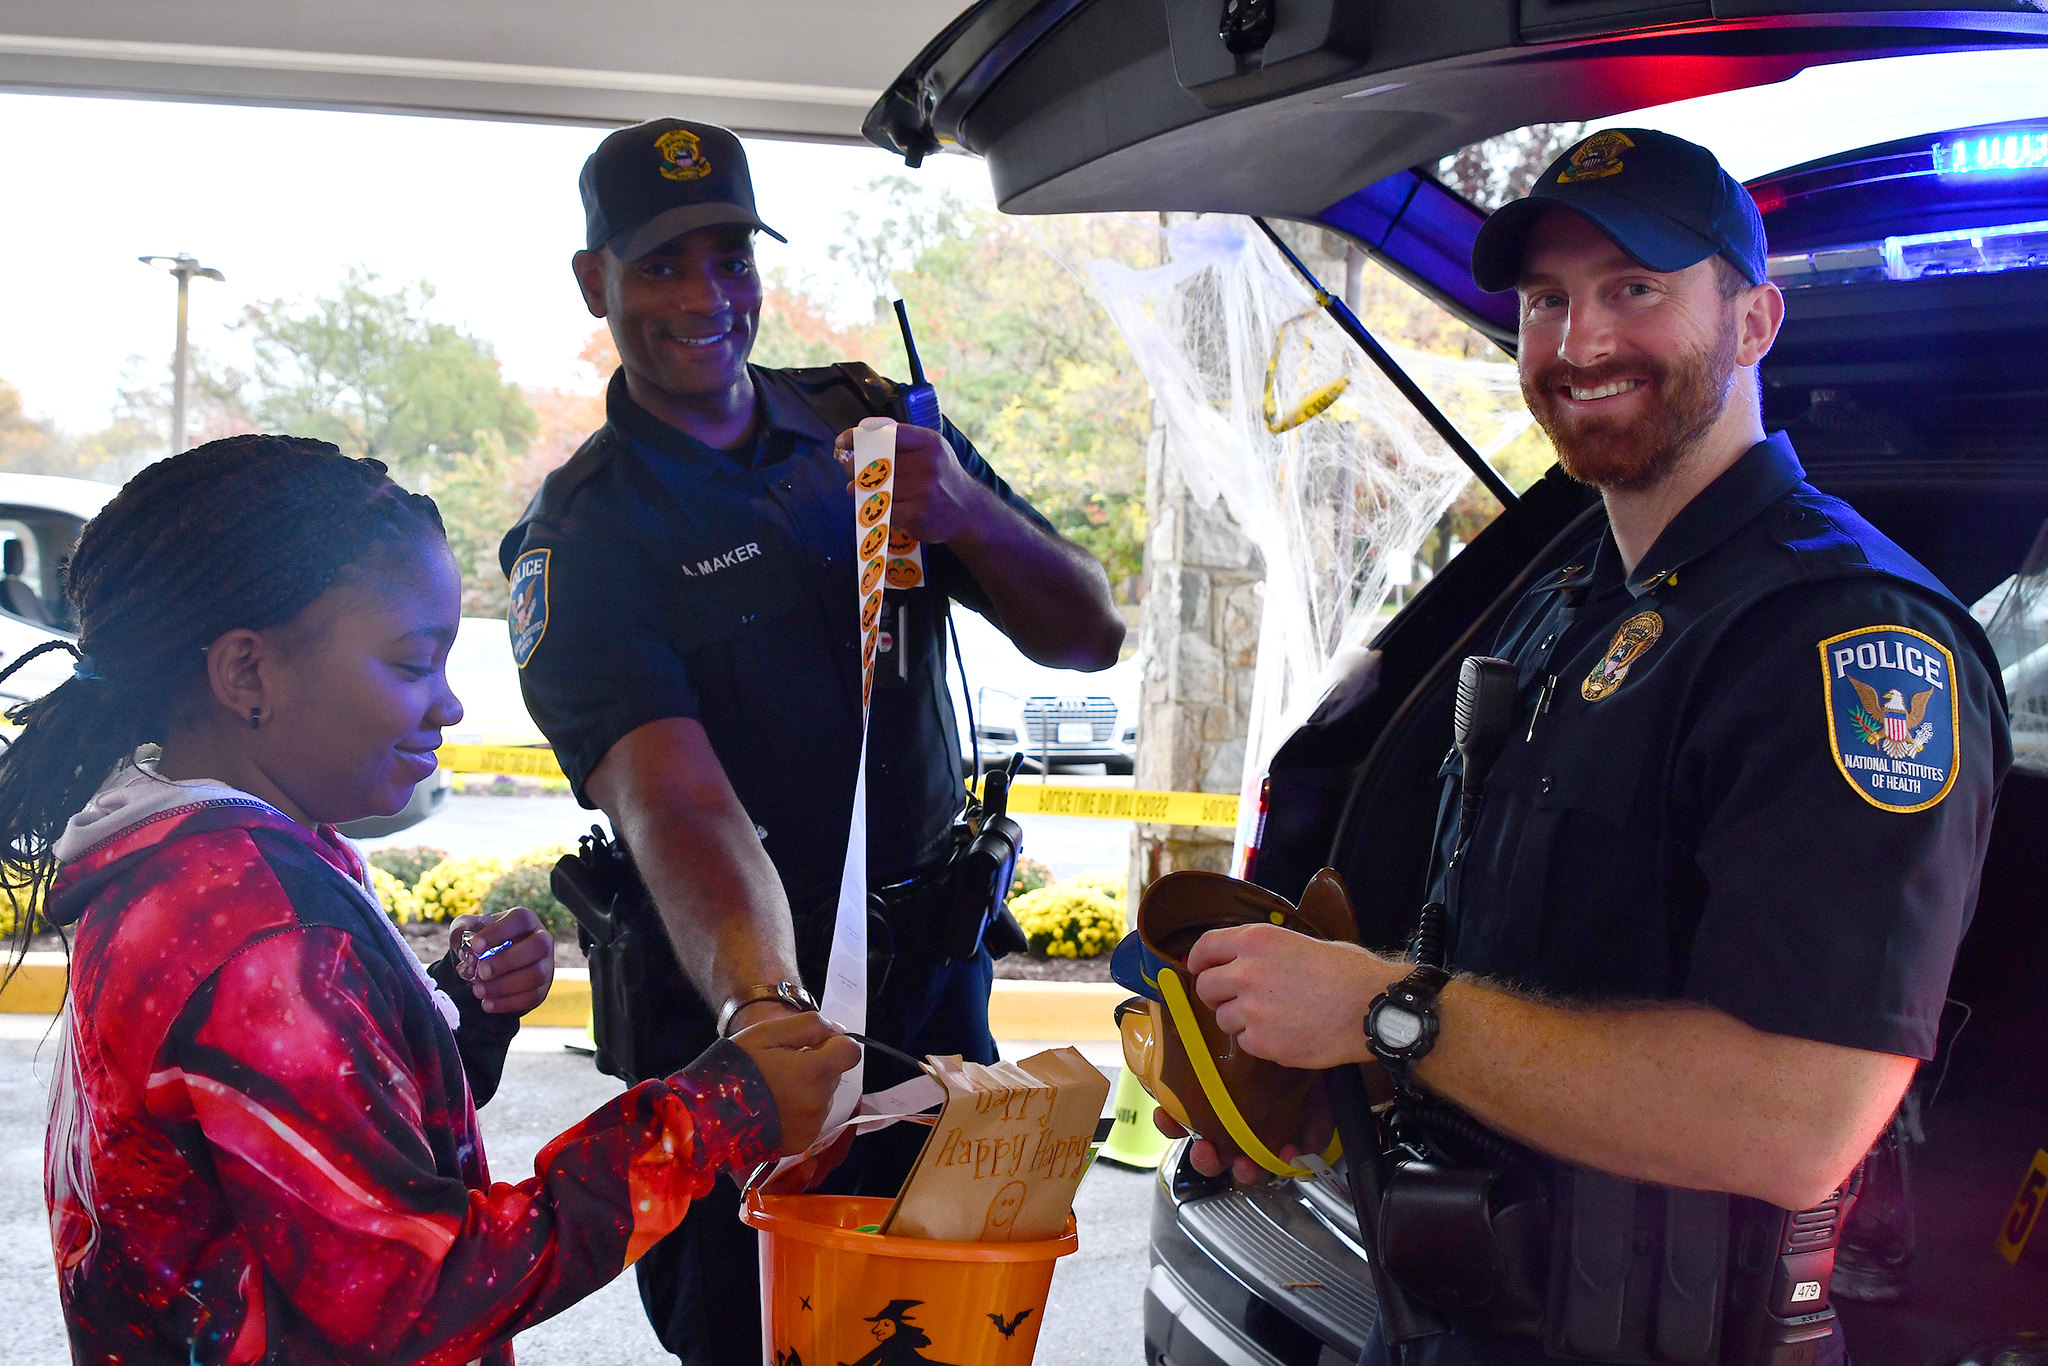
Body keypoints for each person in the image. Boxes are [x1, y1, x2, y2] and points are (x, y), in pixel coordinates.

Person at [1174, 130, 2010, 1363]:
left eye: (1635, 289)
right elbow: (1522, 974)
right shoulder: (1569, 598)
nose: (1579, 344)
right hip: (1452, 1313)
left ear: (1753, 321)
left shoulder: (1848, 638)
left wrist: (1388, 1015)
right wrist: (1316, 1077)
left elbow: (1794, 1120)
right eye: (1545, 301)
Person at [8, 435, 859, 1366]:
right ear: (247, 673)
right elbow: (415, 1298)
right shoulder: (266, 932)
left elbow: (314, 1163)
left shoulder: (192, 865)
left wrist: (453, 1016)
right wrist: (713, 1114)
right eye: (413, 665)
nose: (447, 706)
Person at [499, 118, 1125, 1364]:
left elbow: (1086, 634)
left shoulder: (874, 427)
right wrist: (770, 1022)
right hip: (737, 1039)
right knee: (760, 1338)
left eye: (729, 257)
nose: (705, 296)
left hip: (936, 1002)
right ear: (595, 283)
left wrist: (965, 514)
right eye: (663, 264)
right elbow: (675, 803)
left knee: (954, 1325)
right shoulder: (582, 539)